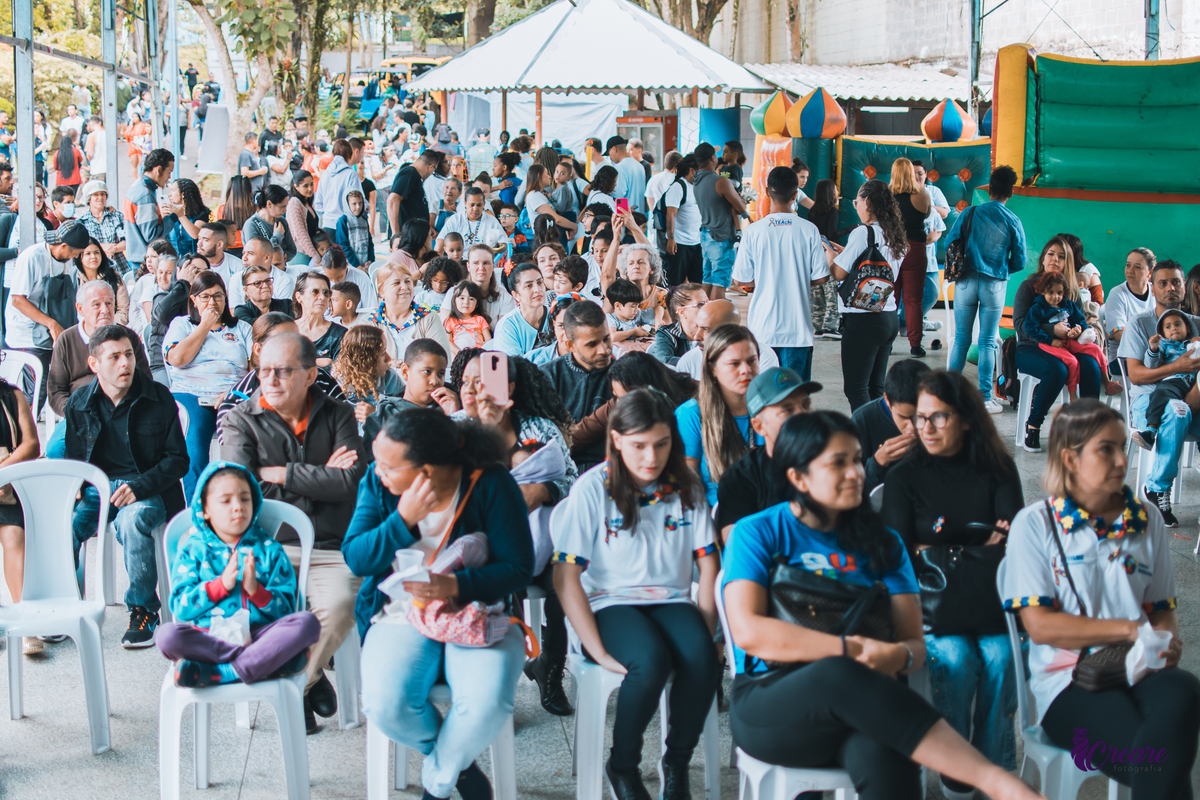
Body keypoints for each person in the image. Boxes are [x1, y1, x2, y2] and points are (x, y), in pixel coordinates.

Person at [722, 411, 1045, 800]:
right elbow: (750, 632)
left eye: (857, 459)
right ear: (798, 477)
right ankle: (998, 782)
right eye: (837, 463)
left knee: (886, 757)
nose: (856, 472)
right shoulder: (758, 532)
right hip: (771, 704)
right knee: (839, 673)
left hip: (867, 704)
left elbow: (914, 647)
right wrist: (851, 651)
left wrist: (892, 658)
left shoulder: (884, 542)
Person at [1001, 399, 1199, 799]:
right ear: (1071, 459)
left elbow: (1160, 610)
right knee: (1160, 760)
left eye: (1122, 446)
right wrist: (1128, 630)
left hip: (1140, 668)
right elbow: (1040, 626)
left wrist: (1163, 644)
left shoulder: (1147, 519)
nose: (1121, 460)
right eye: (1105, 449)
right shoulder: (1036, 525)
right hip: (1068, 682)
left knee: (1184, 689)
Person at [345, 409, 534, 800]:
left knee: (485, 703)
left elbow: (518, 568)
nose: (377, 471)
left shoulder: (490, 483)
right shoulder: (379, 486)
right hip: (399, 614)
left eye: (387, 465)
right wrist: (402, 519)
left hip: (478, 614)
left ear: (425, 472)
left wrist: (454, 584)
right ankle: (459, 770)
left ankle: (437, 783)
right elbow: (357, 557)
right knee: (385, 705)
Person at [553, 389, 720, 800]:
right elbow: (565, 577)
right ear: (616, 441)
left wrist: (707, 630)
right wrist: (596, 648)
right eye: (639, 446)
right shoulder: (594, 488)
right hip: (609, 602)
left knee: (703, 659)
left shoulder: (686, 486)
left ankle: (676, 762)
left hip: (670, 599)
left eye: (662, 445)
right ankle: (623, 764)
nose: (651, 457)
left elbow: (709, 566)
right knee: (650, 660)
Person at [879, 370, 1022, 799]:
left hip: (991, 601)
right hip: (933, 607)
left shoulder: (998, 468)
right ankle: (959, 776)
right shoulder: (906, 476)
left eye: (938, 418)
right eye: (920, 419)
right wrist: (978, 543)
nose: (925, 428)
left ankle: (991, 765)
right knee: (957, 659)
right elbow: (899, 551)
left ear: (965, 419)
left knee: (1001, 657)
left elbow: (1014, 541)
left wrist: (936, 547)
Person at [219, 331, 366, 733]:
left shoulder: (337, 414)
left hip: (329, 546)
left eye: (283, 371)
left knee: (339, 606)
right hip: (270, 546)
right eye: (264, 370)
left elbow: (351, 482)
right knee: (273, 613)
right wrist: (321, 480)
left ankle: (300, 685)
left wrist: (281, 474)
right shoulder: (240, 420)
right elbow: (241, 490)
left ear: (309, 374)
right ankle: (306, 685)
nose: (271, 379)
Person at [67, 324, 188, 648]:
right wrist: (75, 486)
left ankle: (143, 609)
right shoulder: (79, 402)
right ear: (95, 364)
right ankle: (66, 602)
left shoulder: (157, 396)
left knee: (133, 522)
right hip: (98, 489)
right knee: (64, 522)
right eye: (115, 357)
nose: (125, 364)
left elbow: (178, 460)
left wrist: (140, 486)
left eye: (129, 355)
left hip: (146, 489)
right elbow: (75, 458)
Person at [155, 461, 321, 688]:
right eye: (225, 501)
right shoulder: (194, 549)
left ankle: (221, 672)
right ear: (204, 510)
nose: (238, 506)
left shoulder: (270, 550)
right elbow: (181, 606)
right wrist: (219, 586)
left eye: (245, 498)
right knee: (166, 636)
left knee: (307, 623)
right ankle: (266, 663)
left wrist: (257, 591)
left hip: (261, 636)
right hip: (209, 636)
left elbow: (286, 609)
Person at [1120, 260, 1200, 525]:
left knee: (1183, 409)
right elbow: (1136, 374)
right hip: (1149, 400)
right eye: (1163, 283)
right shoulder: (1140, 323)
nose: (1170, 289)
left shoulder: (1196, 324)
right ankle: (1157, 487)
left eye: (1176, 282)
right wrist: (1178, 366)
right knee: (1177, 414)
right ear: (1152, 288)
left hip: (1192, 397)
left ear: (1185, 287)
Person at [163, 271, 254, 500]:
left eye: (218, 296)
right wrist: (205, 325)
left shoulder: (242, 328)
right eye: (205, 297)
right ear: (193, 300)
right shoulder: (182, 325)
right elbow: (177, 359)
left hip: (233, 395)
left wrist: (235, 392)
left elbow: (256, 369)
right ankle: (198, 510)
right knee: (194, 445)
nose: (212, 302)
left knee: (241, 447)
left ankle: (239, 502)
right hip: (191, 394)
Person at [732, 166, 828, 381]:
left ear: (767, 192)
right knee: (794, 397)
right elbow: (821, 277)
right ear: (795, 195)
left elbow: (741, 280)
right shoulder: (809, 229)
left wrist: (765, 280)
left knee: (764, 394)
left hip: (762, 329)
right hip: (798, 330)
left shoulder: (754, 231)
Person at [945, 166, 1026, 408]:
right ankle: (985, 396)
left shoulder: (969, 213)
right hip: (994, 285)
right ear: (1010, 193)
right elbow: (1020, 260)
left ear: (989, 190)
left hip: (966, 281)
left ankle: (948, 393)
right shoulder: (1013, 220)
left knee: (961, 339)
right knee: (987, 341)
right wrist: (1001, 268)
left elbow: (950, 241)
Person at [1012, 236, 1102, 453]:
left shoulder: (1070, 290)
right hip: (1030, 347)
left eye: (1061, 257)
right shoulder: (1028, 286)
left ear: (1068, 263)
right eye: (1051, 254)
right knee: (1057, 369)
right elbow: (1020, 324)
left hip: (1065, 346)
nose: (1054, 259)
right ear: (1043, 258)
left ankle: (1086, 428)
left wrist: (1079, 330)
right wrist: (1052, 331)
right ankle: (1033, 426)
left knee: (1090, 364)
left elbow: (1078, 319)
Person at [46, 279, 151, 456]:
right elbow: (56, 391)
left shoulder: (128, 337)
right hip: (79, 414)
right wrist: (77, 413)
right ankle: (77, 484)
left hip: (123, 413)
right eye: (96, 304)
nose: (105, 310)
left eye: (109, 303)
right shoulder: (66, 340)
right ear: (80, 309)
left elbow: (145, 382)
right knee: (55, 451)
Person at [715, 367, 819, 543]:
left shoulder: (834, 461)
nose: (802, 414)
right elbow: (740, 550)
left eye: (806, 405)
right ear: (759, 426)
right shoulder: (739, 480)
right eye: (787, 410)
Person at [829, 179, 907, 411]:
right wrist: (847, 254)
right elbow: (880, 267)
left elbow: (839, 273)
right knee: (875, 388)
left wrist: (830, 256)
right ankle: (882, 437)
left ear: (868, 202)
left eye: (857, 201)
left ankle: (868, 439)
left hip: (863, 318)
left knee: (856, 389)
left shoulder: (863, 232)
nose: (856, 206)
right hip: (888, 315)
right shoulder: (895, 233)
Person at [4, 221, 90, 412]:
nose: (76, 257)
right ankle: (20, 432)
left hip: (58, 331)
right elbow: (17, 300)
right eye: (75, 252)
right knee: (36, 389)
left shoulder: (69, 263)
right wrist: (51, 324)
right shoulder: (32, 258)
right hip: (28, 335)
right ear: (63, 246)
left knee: (76, 376)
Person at [675, 324, 764, 507]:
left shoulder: (772, 410)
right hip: (715, 518)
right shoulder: (691, 414)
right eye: (734, 363)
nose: (746, 370)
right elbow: (687, 488)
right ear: (712, 368)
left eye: (751, 361)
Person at [1024, 271, 1115, 400]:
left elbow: (1081, 320)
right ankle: (1073, 395)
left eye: (1059, 293)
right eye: (1051, 292)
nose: (1055, 296)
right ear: (1043, 291)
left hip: (1069, 340)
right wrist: (1049, 340)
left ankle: (1107, 381)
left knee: (1096, 349)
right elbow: (1030, 328)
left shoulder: (1069, 305)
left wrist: (1078, 330)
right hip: (1049, 344)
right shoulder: (1037, 308)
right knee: (1072, 362)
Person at [852, 358, 930, 495]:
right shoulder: (863, 420)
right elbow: (853, 488)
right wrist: (878, 462)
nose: (912, 426)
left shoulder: (943, 417)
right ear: (887, 400)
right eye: (903, 417)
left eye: (921, 416)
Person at [692, 143, 748, 302]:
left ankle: (703, 315)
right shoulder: (720, 181)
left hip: (706, 234)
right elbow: (740, 206)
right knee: (719, 280)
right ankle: (717, 320)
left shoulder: (697, 179)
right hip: (721, 236)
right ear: (712, 158)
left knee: (708, 277)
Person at [672, 299, 779, 380]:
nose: (696, 337)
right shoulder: (688, 361)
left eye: (706, 329)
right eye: (697, 327)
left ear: (731, 330)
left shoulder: (763, 356)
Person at [889, 159, 933, 357]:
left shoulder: (886, 197)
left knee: (891, 297)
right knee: (913, 300)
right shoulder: (923, 194)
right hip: (916, 248)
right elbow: (926, 215)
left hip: (892, 249)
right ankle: (915, 345)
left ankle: (887, 343)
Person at [368, 262, 451, 361]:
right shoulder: (370, 322)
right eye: (396, 283)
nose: (404, 287)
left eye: (408, 281)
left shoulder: (429, 318)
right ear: (381, 291)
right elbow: (364, 365)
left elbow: (443, 361)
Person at [123, 148, 177, 275]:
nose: (169, 178)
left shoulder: (138, 186)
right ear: (158, 170)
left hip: (139, 258)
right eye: (169, 172)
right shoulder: (145, 195)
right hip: (145, 262)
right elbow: (152, 235)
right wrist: (173, 217)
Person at [1104, 248, 1155, 375]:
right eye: (1128, 265)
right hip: (1123, 358)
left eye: (1137, 267)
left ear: (1150, 272)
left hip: (1153, 353)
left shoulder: (1156, 292)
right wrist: (1152, 348)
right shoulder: (1117, 294)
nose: (1130, 271)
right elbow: (1119, 335)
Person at [488, 261, 553, 356]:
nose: (537, 289)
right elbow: (515, 367)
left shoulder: (558, 316)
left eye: (540, 282)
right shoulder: (507, 327)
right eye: (529, 286)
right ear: (516, 295)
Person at [661, 156, 702, 287]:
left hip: (696, 242)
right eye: (699, 170)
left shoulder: (696, 186)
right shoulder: (678, 187)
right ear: (692, 170)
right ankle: (673, 307)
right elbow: (670, 216)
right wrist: (671, 239)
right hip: (679, 244)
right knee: (676, 283)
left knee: (697, 283)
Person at [291, 270, 346, 367]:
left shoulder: (340, 334)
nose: (322, 297)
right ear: (299, 297)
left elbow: (341, 373)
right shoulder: (287, 331)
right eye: (315, 292)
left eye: (326, 293)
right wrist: (321, 362)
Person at [314, 139, 365, 238]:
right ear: (350, 155)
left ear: (332, 155)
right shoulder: (351, 174)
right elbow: (359, 201)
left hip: (327, 225)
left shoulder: (325, 174)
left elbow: (318, 204)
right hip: (346, 226)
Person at [72, 237, 130, 324]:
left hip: (112, 328)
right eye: (88, 253)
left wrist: (107, 326)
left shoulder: (114, 276)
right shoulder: (74, 279)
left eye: (96, 252)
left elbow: (123, 310)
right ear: (79, 257)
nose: (93, 257)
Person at [648, 283, 708, 366]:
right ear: (682, 312)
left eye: (708, 303)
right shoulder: (667, 333)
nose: (707, 307)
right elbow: (663, 360)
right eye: (701, 304)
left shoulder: (714, 330)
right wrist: (701, 363)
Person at [436, 187, 505, 253]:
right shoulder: (455, 220)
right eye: (472, 205)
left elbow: (503, 244)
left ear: (484, 204)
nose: (475, 209)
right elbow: (440, 242)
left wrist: (490, 251)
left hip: (483, 262)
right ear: (465, 203)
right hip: (459, 262)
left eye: (479, 205)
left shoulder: (492, 221)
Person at [388, 150, 439, 237]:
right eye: (434, 170)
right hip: (407, 235)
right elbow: (392, 200)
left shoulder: (415, 176)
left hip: (415, 233)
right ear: (430, 167)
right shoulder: (410, 173)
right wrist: (396, 234)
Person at [243, 185, 296, 268]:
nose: (285, 210)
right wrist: (276, 237)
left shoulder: (281, 221)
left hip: (281, 271)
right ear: (269, 204)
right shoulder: (251, 225)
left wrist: (277, 260)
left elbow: (292, 251)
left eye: (286, 206)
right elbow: (257, 257)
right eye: (282, 206)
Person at [167, 177, 211, 257]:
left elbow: (195, 234)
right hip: (172, 260)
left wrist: (180, 214)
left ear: (183, 194)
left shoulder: (201, 213)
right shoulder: (170, 213)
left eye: (173, 190)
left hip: (194, 258)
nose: (170, 194)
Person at [286, 170, 323, 266]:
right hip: (300, 254)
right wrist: (315, 255)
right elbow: (300, 233)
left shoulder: (307, 202)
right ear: (296, 187)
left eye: (311, 184)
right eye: (305, 186)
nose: (310, 188)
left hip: (311, 253)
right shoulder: (294, 203)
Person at [335, 189, 374, 269]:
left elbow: (370, 243)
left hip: (365, 265)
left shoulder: (364, 219)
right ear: (347, 204)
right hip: (350, 266)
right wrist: (358, 266)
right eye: (354, 204)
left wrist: (370, 260)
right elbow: (343, 246)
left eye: (360, 203)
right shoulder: (343, 221)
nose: (358, 207)